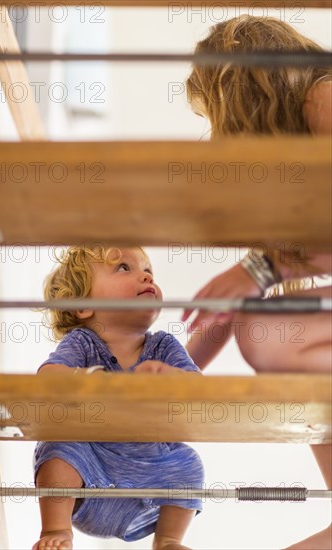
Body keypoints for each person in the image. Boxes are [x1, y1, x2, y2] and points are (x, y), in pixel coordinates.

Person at [184, 15, 332, 550]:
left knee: (269, 333)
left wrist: (260, 270)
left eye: (218, 115)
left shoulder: (324, 96)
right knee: (267, 332)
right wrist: (176, 372)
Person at [32, 245, 204, 550]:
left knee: (189, 462)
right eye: (125, 268)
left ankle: (168, 540)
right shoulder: (83, 343)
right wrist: (85, 380)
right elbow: (48, 377)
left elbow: (199, 390)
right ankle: (55, 530)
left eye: (148, 271)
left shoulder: (164, 346)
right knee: (58, 446)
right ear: (83, 306)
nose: (145, 277)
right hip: (89, 478)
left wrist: (172, 378)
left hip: (153, 481)